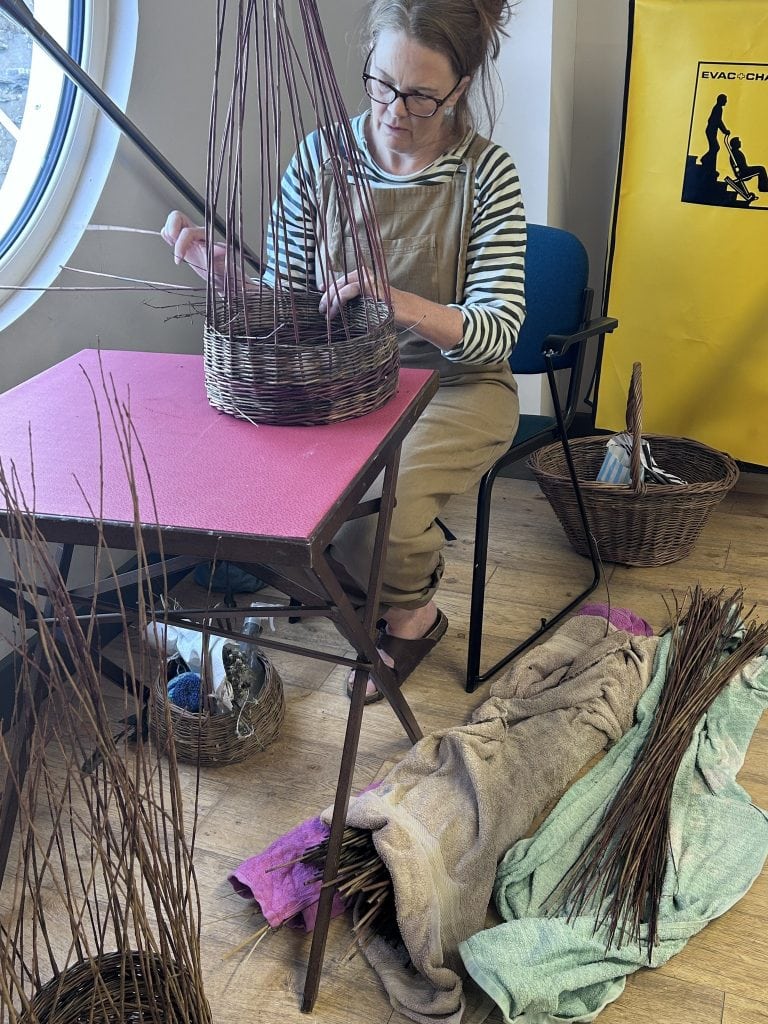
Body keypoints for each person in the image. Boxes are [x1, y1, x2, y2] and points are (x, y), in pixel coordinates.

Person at [163, 0, 526, 702]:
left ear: (461, 89)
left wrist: (404, 302)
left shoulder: (486, 174)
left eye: (421, 96)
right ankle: (369, 593)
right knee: (285, 502)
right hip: (342, 381)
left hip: (458, 382)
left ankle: (413, 614)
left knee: (380, 512)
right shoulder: (319, 159)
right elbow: (290, 308)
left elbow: (498, 328)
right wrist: (229, 281)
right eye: (382, 84)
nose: (394, 110)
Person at [701, 93, 729, 171]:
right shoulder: (718, 108)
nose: (726, 101)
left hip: (711, 131)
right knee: (715, 147)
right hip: (711, 131)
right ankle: (705, 160)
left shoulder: (718, 108)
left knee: (714, 148)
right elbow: (718, 121)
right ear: (721, 100)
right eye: (725, 100)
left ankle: (709, 164)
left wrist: (724, 130)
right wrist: (725, 130)